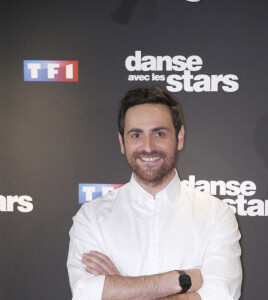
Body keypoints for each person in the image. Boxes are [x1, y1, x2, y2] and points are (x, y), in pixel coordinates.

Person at [67, 87, 242, 300]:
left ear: (179, 137)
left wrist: (121, 287)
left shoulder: (216, 214)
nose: (148, 147)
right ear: (122, 143)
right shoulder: (91, 217)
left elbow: (221, 295)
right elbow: (86, 293)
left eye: (159, 134)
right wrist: (182, 279)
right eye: (136, 135)